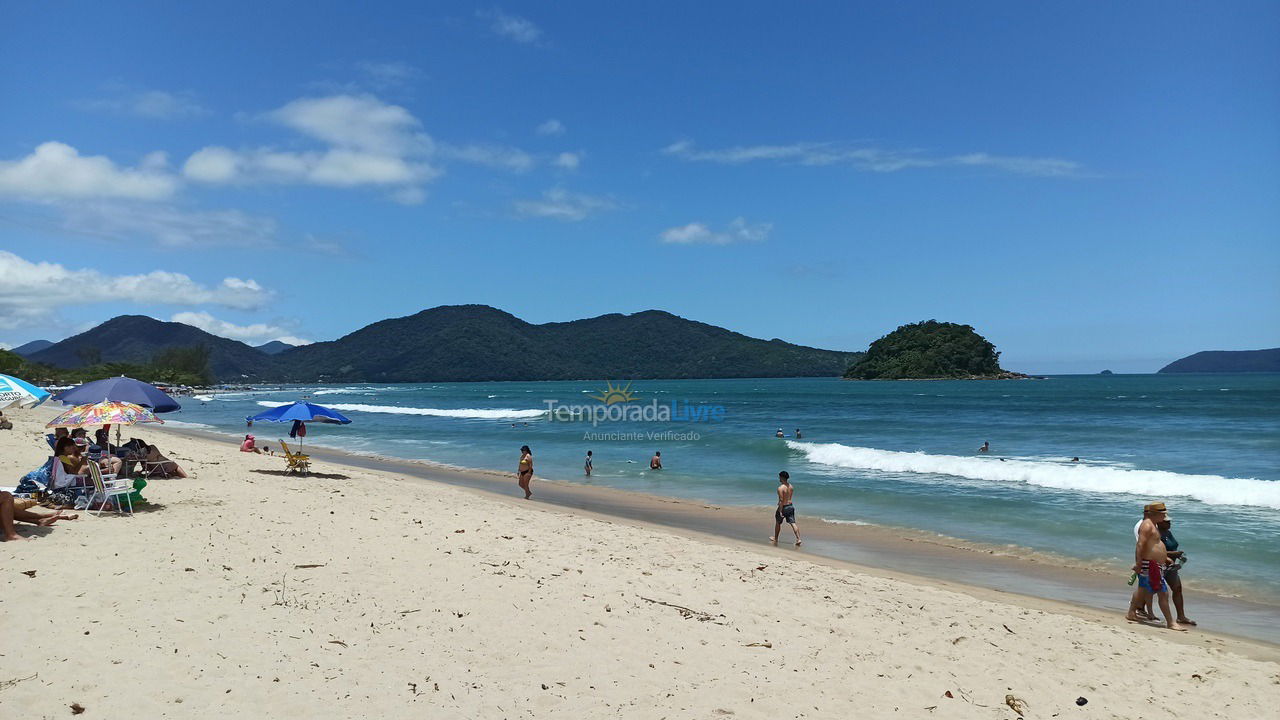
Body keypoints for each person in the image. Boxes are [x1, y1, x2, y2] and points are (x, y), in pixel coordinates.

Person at [1125, 502, 1186, 630]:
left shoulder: (1152, 525)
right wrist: (1138, 563)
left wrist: (1165, 557)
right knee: (1163, 593)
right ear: (1154, 514)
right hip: (1150, 564)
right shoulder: (1147, 526)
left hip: (1152, 563)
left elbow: (1153, 546)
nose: (1164, 517)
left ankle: (1131, 612)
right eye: (1162, 514)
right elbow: (1140, 545)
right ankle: (1171, 622)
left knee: (1142, 589)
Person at [770, 471, 802, 546]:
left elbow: (781, 500)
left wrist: (780, 511)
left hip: (783, 507)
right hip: (790, 506)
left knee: (778, 522)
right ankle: (798, 539)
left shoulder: (780, 488)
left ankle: (776, 538)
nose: (779, 479)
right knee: (793, 523)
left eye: (779, 477)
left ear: (782, 477)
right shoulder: (791, 486)